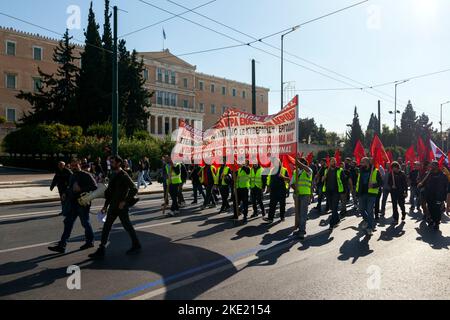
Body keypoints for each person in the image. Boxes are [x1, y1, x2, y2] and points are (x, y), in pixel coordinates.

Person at [89, 156, 141, 259]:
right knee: (106, 227)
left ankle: (136, 245)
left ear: (118, 163)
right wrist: (105, 206)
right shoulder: (113, 175)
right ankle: (101, 249)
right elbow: (110, 193)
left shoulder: (124, 175)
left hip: (121, 207)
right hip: (113, 206)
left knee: (127, 226)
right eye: (110, 162)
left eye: (112, 162)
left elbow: (134, 189)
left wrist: (124, 201)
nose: (110, 164)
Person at [48, 158, 97, 253]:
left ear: (79, 165)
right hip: (73, 203)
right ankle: (62, 245)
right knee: (68, 223)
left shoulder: (86, 175)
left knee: (85, 223)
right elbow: (70, 187)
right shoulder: (72, 175)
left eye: (76, 165)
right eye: (72, 165)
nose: (74, 167)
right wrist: (65, 193)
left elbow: (94, 187)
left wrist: (81, 189)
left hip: (83, 203)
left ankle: (90, 241)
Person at [356, 157, 382, 236]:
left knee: (370, 210)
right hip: (362, 193)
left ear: (367, 163)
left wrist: (373, 185)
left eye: (362, 162)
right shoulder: (361, 171)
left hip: (371, 194)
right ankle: (367, 220)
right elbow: (358, 182)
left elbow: (381, 182)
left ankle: (370, 228)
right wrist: (357, 192)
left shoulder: (375, 171)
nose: (361, 163)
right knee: (361, 209)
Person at [291, 158, 313, 240]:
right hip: (297, 195)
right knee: (298, 213)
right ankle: (300, 228)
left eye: (301, 162)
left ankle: (302, 232)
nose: (299, 164)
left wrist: (299, 163)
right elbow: (292, 183)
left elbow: (307, 169)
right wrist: (295, 189)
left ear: (304, 163)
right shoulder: (295, 171)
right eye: (298, 162)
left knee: (303, 213)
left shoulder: (308, 170)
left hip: (305, 195)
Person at [322, 157, 346, 230]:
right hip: (328, 192)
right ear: (330, 163)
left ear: (336, 162)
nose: (333, 162)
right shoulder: (326, 170)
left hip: (336, 192)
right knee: (332, 208)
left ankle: (331, 224)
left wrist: (344, 191)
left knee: (334, 208)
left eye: (334, 161)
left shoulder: (339, 170)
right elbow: (323, 180)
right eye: (332, 161)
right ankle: (337, 219)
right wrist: (323, 178)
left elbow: (344, 180)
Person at [423, 161, 448, 230]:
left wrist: (445, 197)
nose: (431, 167)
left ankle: (436, 222)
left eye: (433, 165)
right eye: (431, 165)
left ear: (437, 166)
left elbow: (446, 186)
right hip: (429, 196)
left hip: (439, 196)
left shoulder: (442, 175)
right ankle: (432, 220)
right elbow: (424, 183)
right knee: (431, 209)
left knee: (437, 210)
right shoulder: (428, 174)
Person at [264, 158, 290, 223]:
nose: (274, 163)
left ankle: (282, 216)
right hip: (273, 190)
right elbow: (270, 179)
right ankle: (270, 218)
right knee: (272, 205)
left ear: (279, 162)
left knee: (282, 205)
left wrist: (282, 176)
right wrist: (268, 187)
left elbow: (289, 179)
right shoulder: (272, 170)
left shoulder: (284, 170)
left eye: (276, 162)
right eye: (273, 162)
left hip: (281, 190)